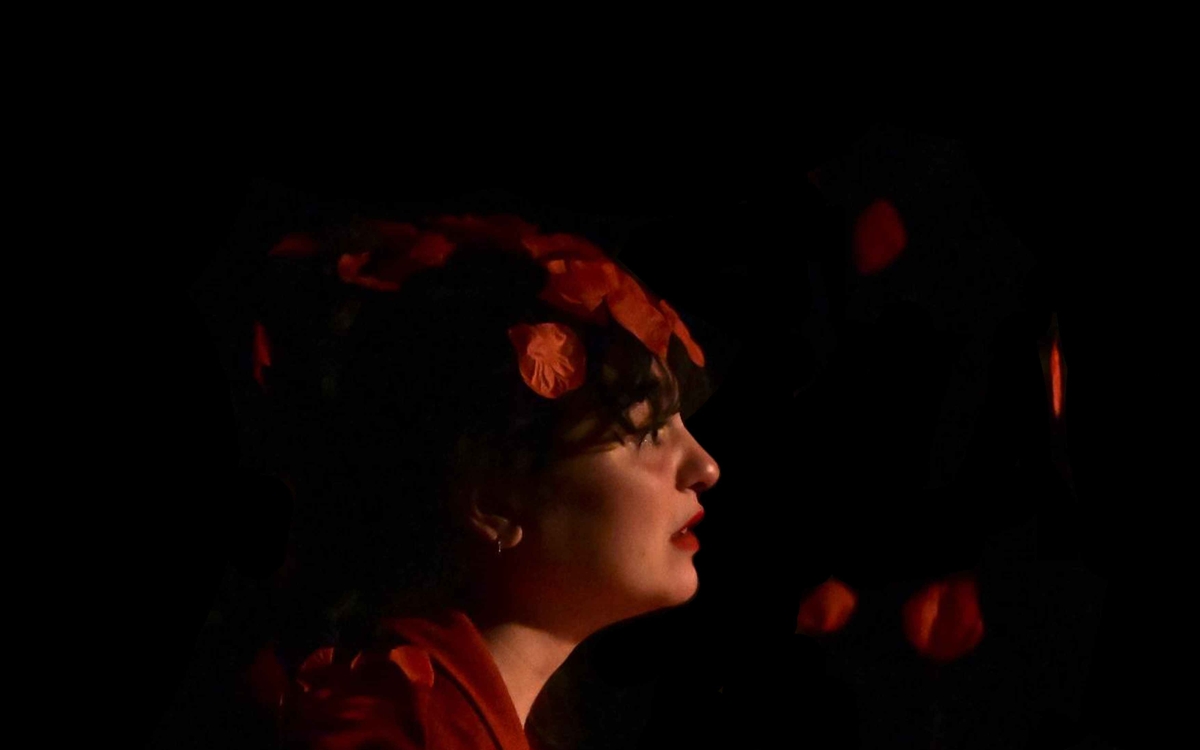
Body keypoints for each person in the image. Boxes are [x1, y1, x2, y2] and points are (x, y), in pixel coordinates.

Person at [232, 211, 721, 749]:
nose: (707, 467)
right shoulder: (401, 733)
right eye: (648, 429)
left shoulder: (453, 716)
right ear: (493, 499)